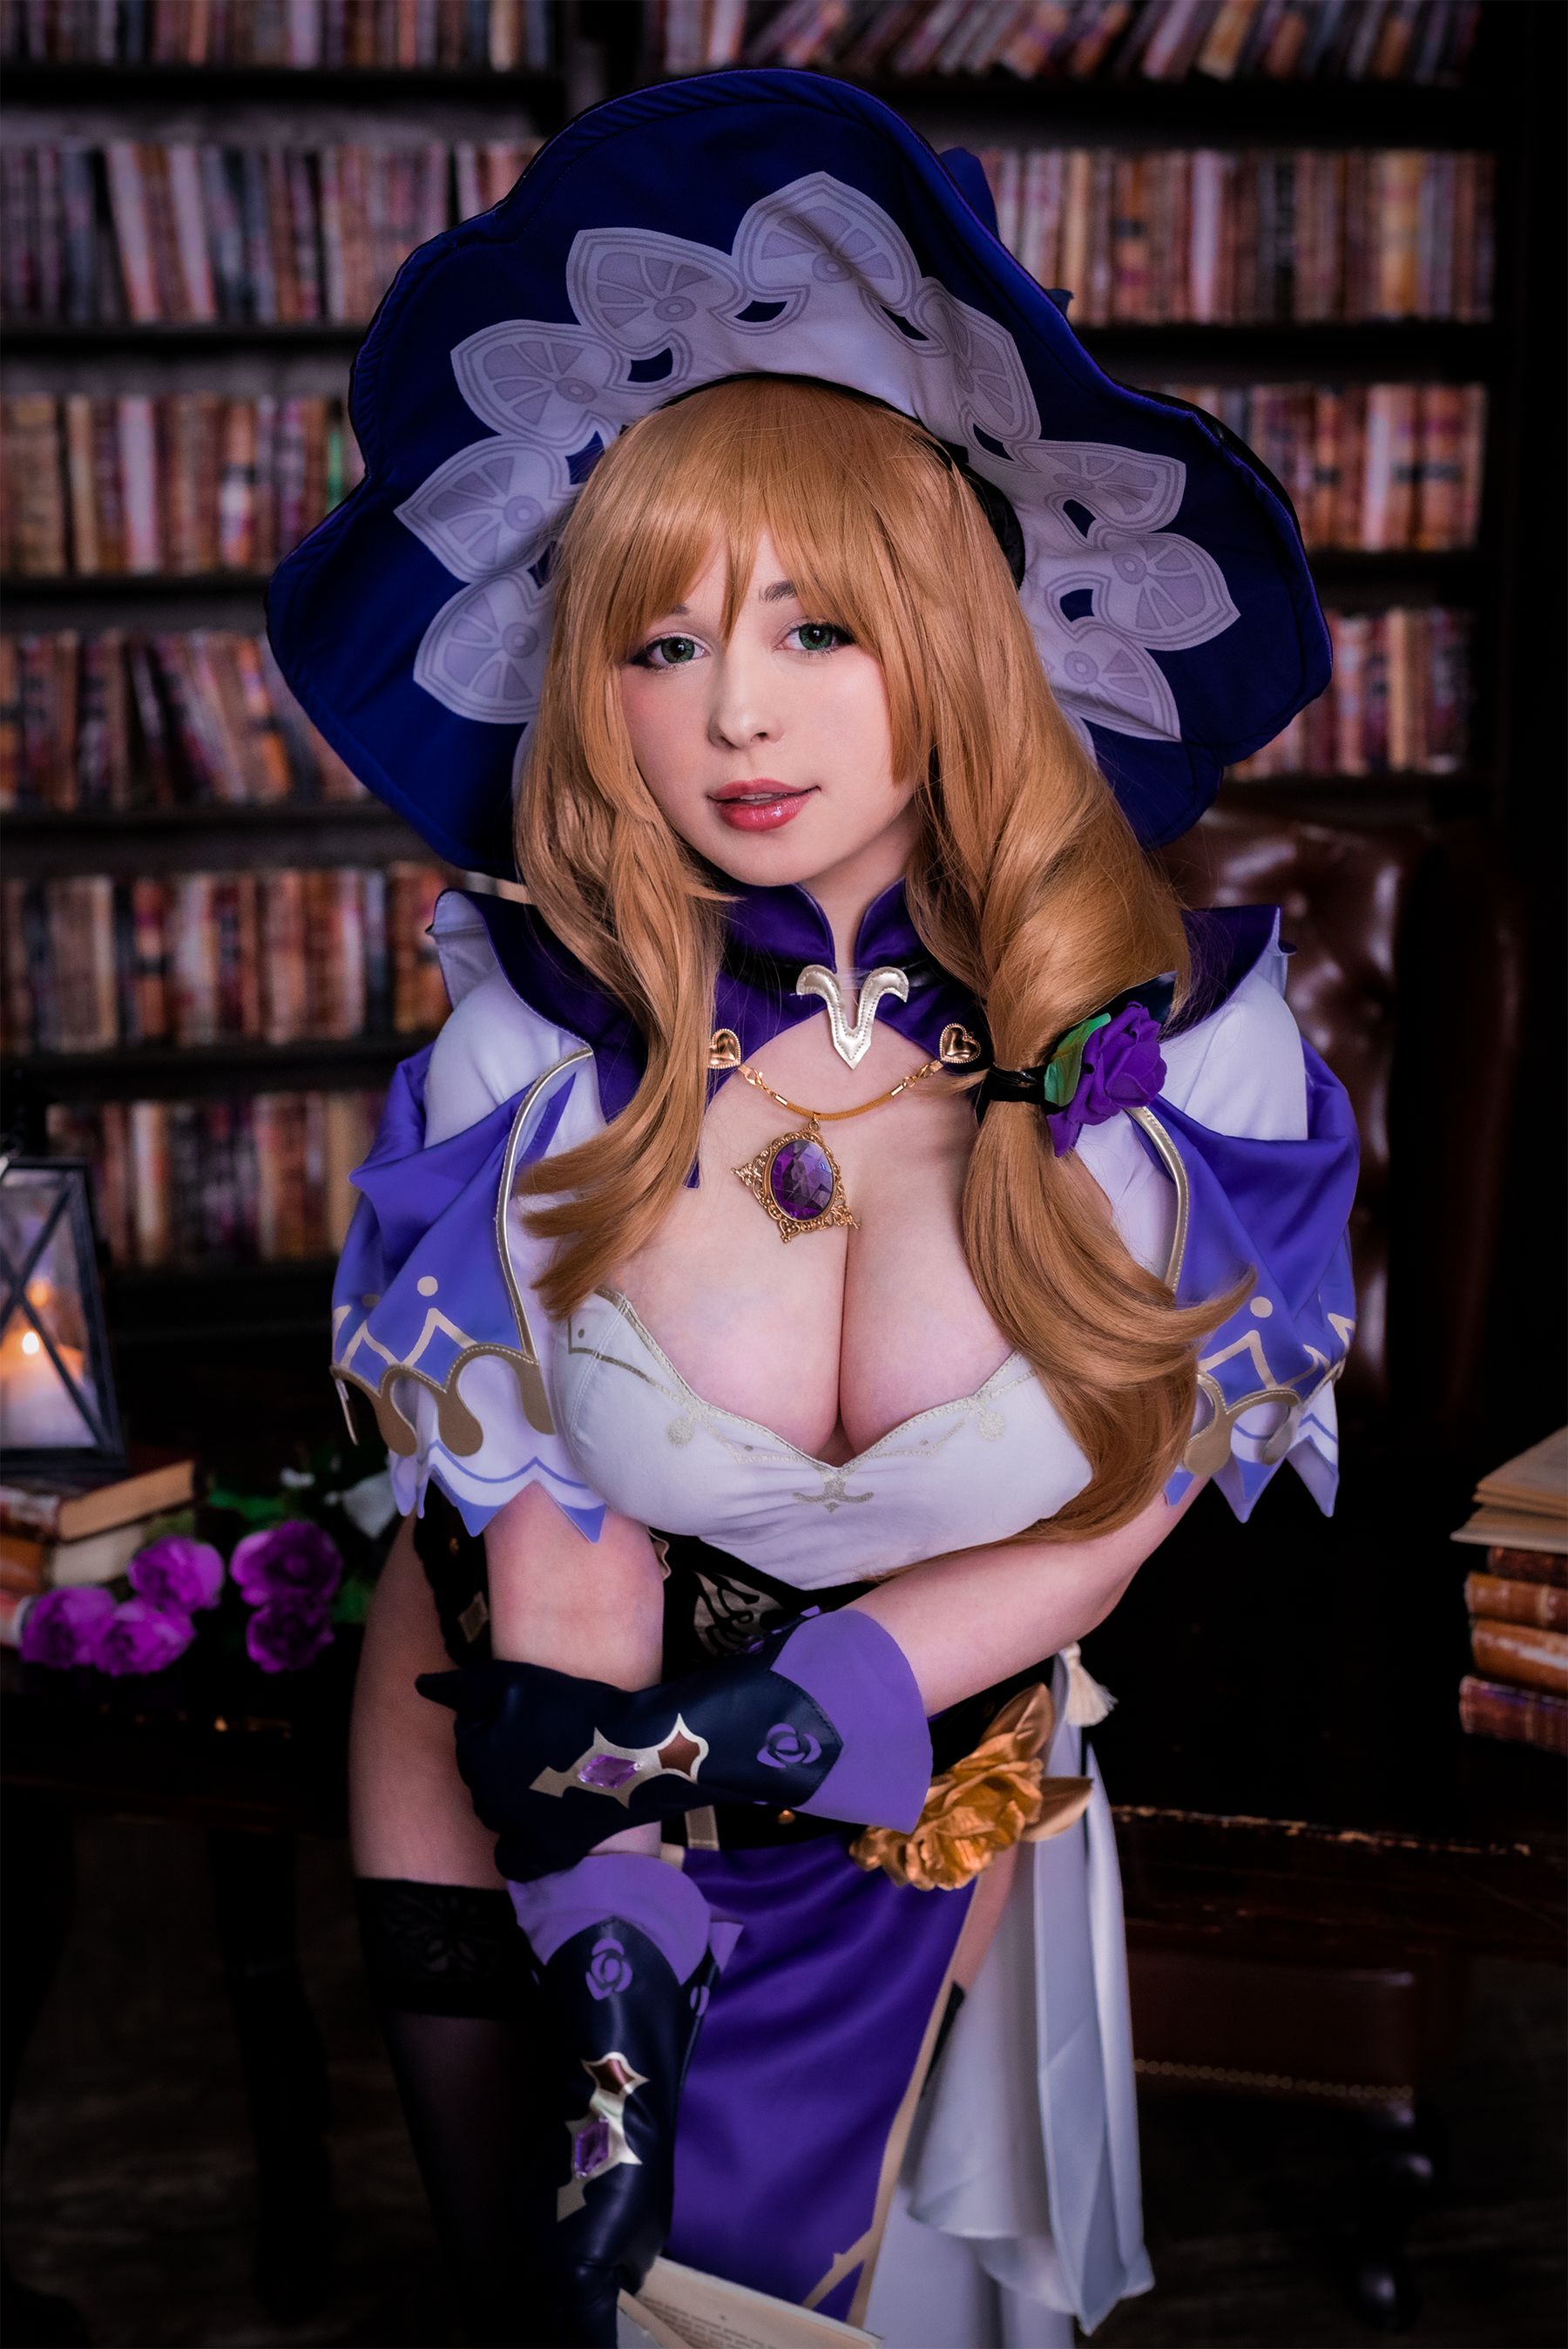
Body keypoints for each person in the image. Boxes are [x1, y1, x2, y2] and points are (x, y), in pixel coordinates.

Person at [268, 71, 1357, 2349]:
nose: (735, 720)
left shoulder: (1193, 1064)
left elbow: (1118, 1515)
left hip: (931, 1800)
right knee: (546, 2308)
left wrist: (766, 1727)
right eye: (663, 643)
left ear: (957, 634)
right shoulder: (528, 1054)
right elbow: (554, 1553)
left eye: (818, 630)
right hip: (519, 1769)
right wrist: (613, 1933)